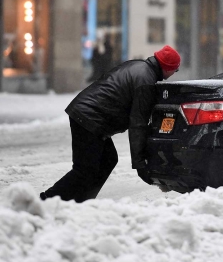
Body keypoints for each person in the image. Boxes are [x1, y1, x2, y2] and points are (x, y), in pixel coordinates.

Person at [40, 45, 181, 202]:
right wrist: (140, 165)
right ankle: (47, 200)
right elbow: (138, 125)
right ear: (168, 68)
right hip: (89, 117)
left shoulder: (138, 66)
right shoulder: (146, 81)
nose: (174, 73)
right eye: (175, 70)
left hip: (89, 114)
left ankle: (84, 201)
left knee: (107, 160)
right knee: (85, 169)